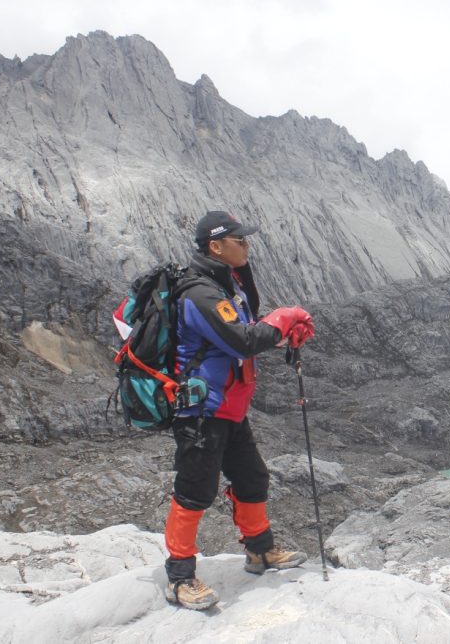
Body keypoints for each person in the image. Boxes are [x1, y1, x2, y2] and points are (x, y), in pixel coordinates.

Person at [163, 210, 316, 610]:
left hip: (228, 407)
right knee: (195, 490)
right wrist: (284, 319)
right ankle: (179, 578)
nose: (247, 245)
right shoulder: (200, 293)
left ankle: (259, 551)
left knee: (252, 477)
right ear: (216, 246)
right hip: (202, 411)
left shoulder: (226, 286)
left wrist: (281, 336)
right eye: (240, 240)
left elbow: (241, 336)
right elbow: (242, 340)